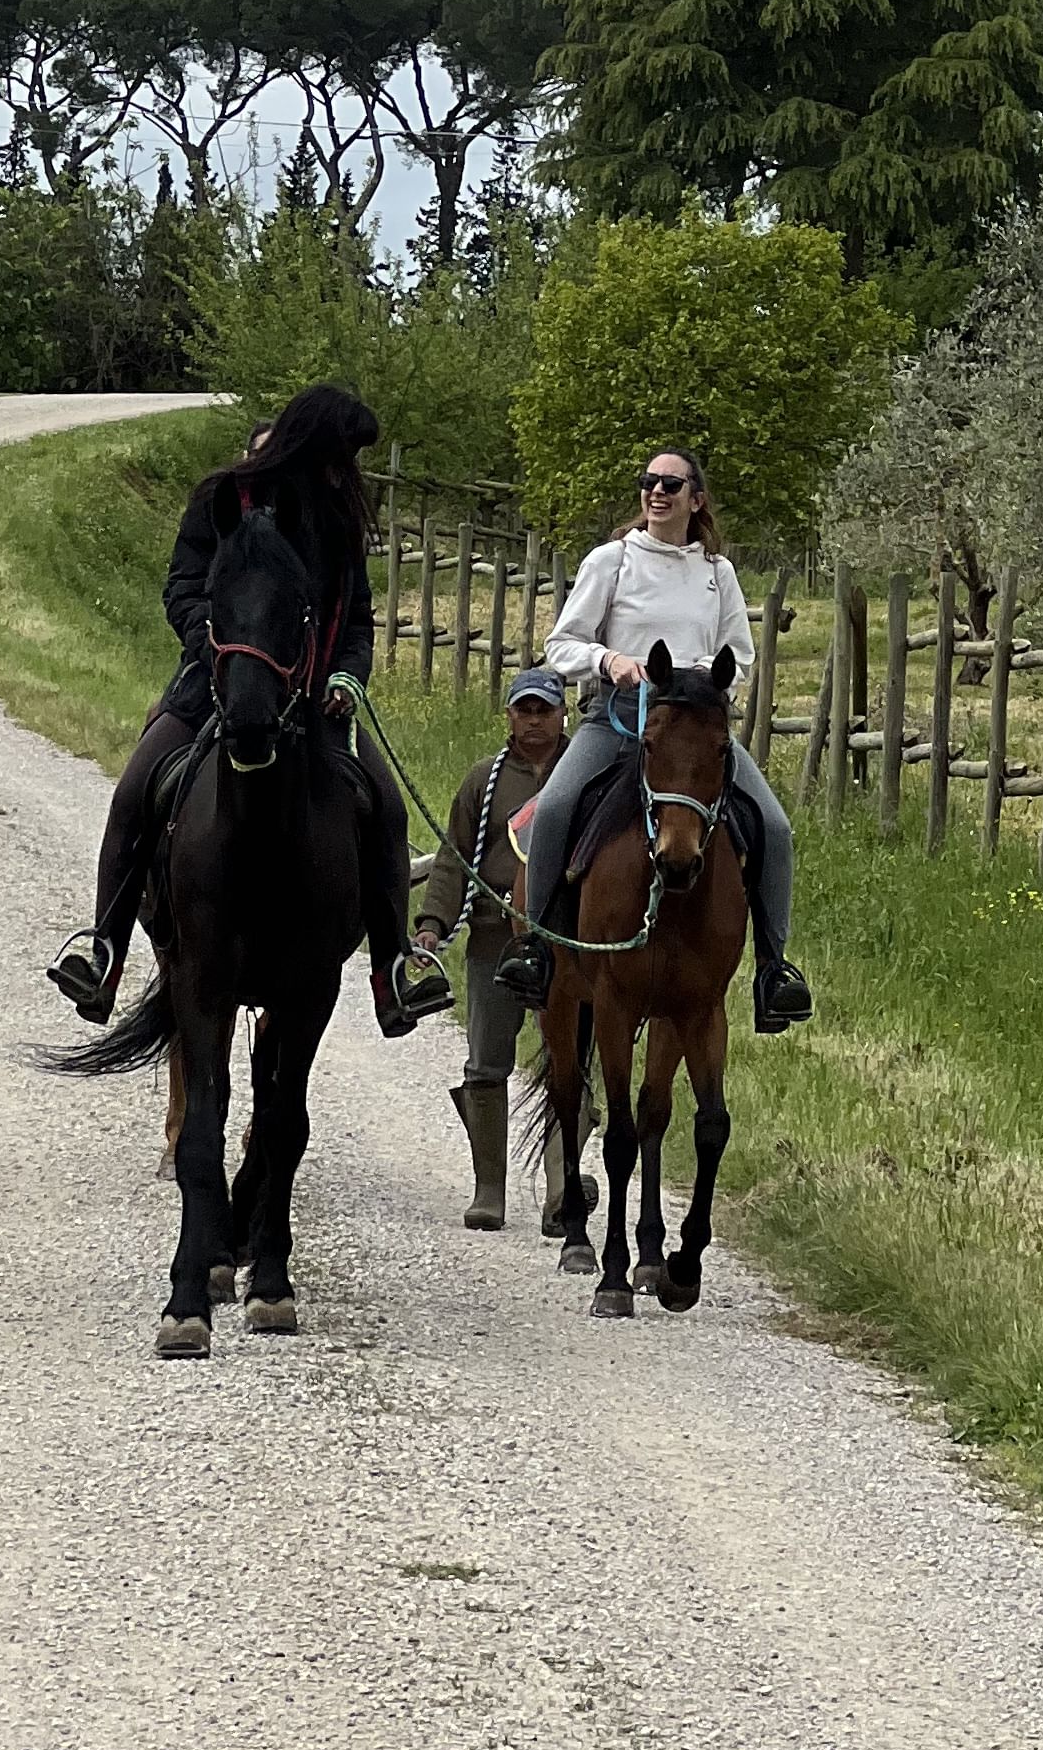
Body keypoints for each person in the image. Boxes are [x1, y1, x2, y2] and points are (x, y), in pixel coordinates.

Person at [47, 384, 452, 1040]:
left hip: (316, 702)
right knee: (134, 793)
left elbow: (357, 618)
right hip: (214, 686)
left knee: (388, 806)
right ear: (316, 441)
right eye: (346, 452)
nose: (350, 468)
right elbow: (182, 586)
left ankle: (394, 970)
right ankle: (103, 951)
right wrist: (231, 655)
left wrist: (348, 673)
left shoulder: (336, 517)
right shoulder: (220, 497)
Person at [494, 447, 812, 1033]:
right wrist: (608, 658)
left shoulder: (718, 575)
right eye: (649, 482)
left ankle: (774, 970)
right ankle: (537, 949)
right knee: (560, 805)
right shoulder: (612, 561)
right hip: (615, 720)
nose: (657, 493)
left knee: (775, 827)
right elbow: (562, 645)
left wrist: (695, 683)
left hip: (689, 729)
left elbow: (738, 655)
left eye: (672, 484)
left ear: (696, 499)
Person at [412, 668, 570, 1229]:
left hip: (567, 942)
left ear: (562, 713)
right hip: (494, 938)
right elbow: (454, 856)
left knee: (568, 1060)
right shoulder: (484, 780)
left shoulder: (585, 775)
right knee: (485, 1062)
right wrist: (432, 923)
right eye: (523, 710)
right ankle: (489, 1189)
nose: (533, 721)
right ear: (508, 715)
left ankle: (562, 1191)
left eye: (543, 710)